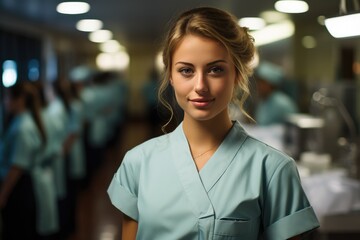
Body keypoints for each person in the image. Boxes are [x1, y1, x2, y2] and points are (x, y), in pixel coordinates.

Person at [108, 7, 319, 240]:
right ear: (170, 76)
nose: (200, 85)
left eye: (216, 69)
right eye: (186, 70)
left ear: (237, 74)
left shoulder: (272, 169)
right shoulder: (138, 164)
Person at [254, 61, 298, 126]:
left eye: (262, 83)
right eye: (259, 82)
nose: (258, 86)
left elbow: (293, 128)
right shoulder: (264, 101)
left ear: (271, 84)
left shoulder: (283, 104)